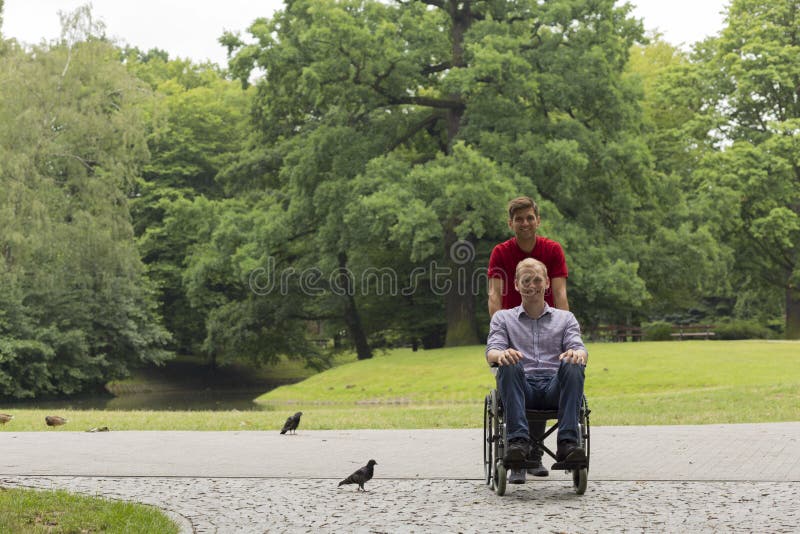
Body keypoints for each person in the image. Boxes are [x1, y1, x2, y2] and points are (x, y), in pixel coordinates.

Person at [487, 195, 569, 482]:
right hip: (513, 324)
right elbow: (494, 295)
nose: (525, 223)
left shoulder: (552, 250)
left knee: (545, 370)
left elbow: (559, 295)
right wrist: (500, 337)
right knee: (517, 374)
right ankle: (519, 453)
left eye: (529, 217)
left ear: (538, 220)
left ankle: (533, 454)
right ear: (511, 223)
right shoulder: (501, 253)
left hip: (546, 322)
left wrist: (564, 335)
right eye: (519, 219)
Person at [486, 258, 587, 476]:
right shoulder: (503, 318)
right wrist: (502, 354)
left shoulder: (565, 318)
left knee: (573, 363)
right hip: (522, 387)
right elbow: (491, 351)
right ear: (516, 285)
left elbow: (580, 348)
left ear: (547, 283)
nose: (533, 285)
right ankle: (519, 443)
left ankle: (568, 443)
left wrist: (577, 354)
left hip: (555, 387)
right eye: (526, 280)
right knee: (509, 363)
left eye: (538, 279)